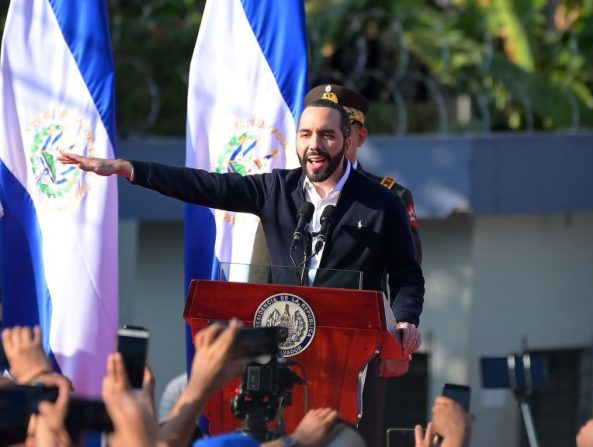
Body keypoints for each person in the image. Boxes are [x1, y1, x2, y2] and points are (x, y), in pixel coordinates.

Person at [59, 99, 424, 446]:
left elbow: (406, 274)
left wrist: (406, 319)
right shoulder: (276, 190)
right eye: (305, 134)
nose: (314, 145)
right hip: (285, 355)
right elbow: (206, 185)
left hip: (345, 360)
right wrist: (131, 169)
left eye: (327, 135)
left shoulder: (381, 203)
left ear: (348, 141)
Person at [303, 84, 423, 264]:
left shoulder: (390, 196)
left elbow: (407, 269)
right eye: (312, 132)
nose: (320, 143)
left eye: (334, 131)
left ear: (360, 137)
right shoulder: (287, 189)